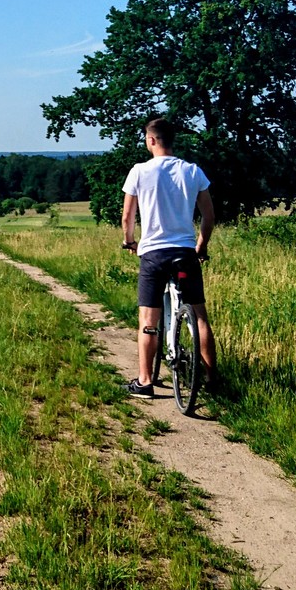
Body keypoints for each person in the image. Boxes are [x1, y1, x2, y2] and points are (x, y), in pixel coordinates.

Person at [120, 118, 216, 398]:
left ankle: (145, 381)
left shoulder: (139, 172)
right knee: (199, 317)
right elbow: (208, 216)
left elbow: (128, 216)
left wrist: (129, 242)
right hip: (185, 252)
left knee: (148, 321)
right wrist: (201, 246)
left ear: (151, 140)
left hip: (153, 254)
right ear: (173, 140)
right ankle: (212, 380)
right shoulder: (192, 171)